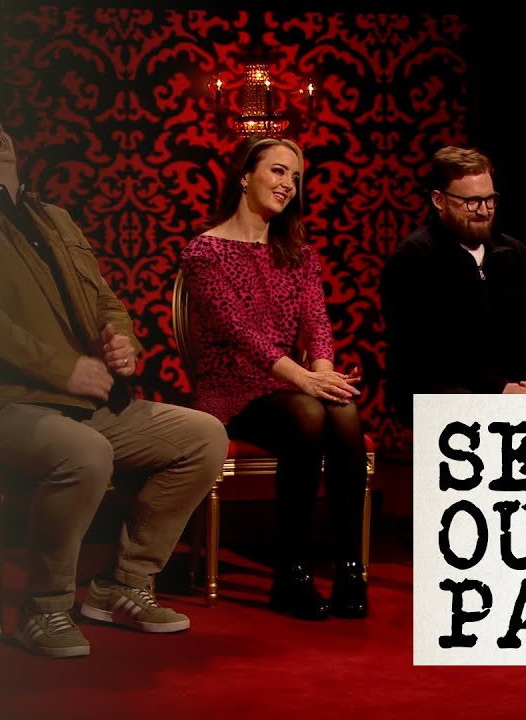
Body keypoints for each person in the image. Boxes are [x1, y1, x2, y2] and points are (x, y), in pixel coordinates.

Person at [0, 113, 228, 657]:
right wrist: (63, 368)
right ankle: (44, 608)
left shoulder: (54, 217)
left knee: (204, 436)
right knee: (85, 451)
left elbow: (105, 299)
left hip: (83, 402)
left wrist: (123, 340)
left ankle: (122, 585)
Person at [180, 137, 369, 620]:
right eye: (279, 171)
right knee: (308, 413)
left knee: (343, 409)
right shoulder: (205, 251)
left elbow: (317, 324)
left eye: (296, 177)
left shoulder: (298, 253)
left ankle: (350, 571)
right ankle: (291, 576)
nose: (288, 184)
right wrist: (305, 380)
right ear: (245, 176)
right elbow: (238, 332)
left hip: (287, 386)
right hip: (230, 390)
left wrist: (323, 372)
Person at [381, 146, 526, 424]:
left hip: (518, 385)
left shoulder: (516, 254)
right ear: (439, 200)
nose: (484, 211)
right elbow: (422, 348)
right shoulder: (414, 257)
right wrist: (498, 388)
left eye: (490, 200)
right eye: (472, 202)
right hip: (441, 388)